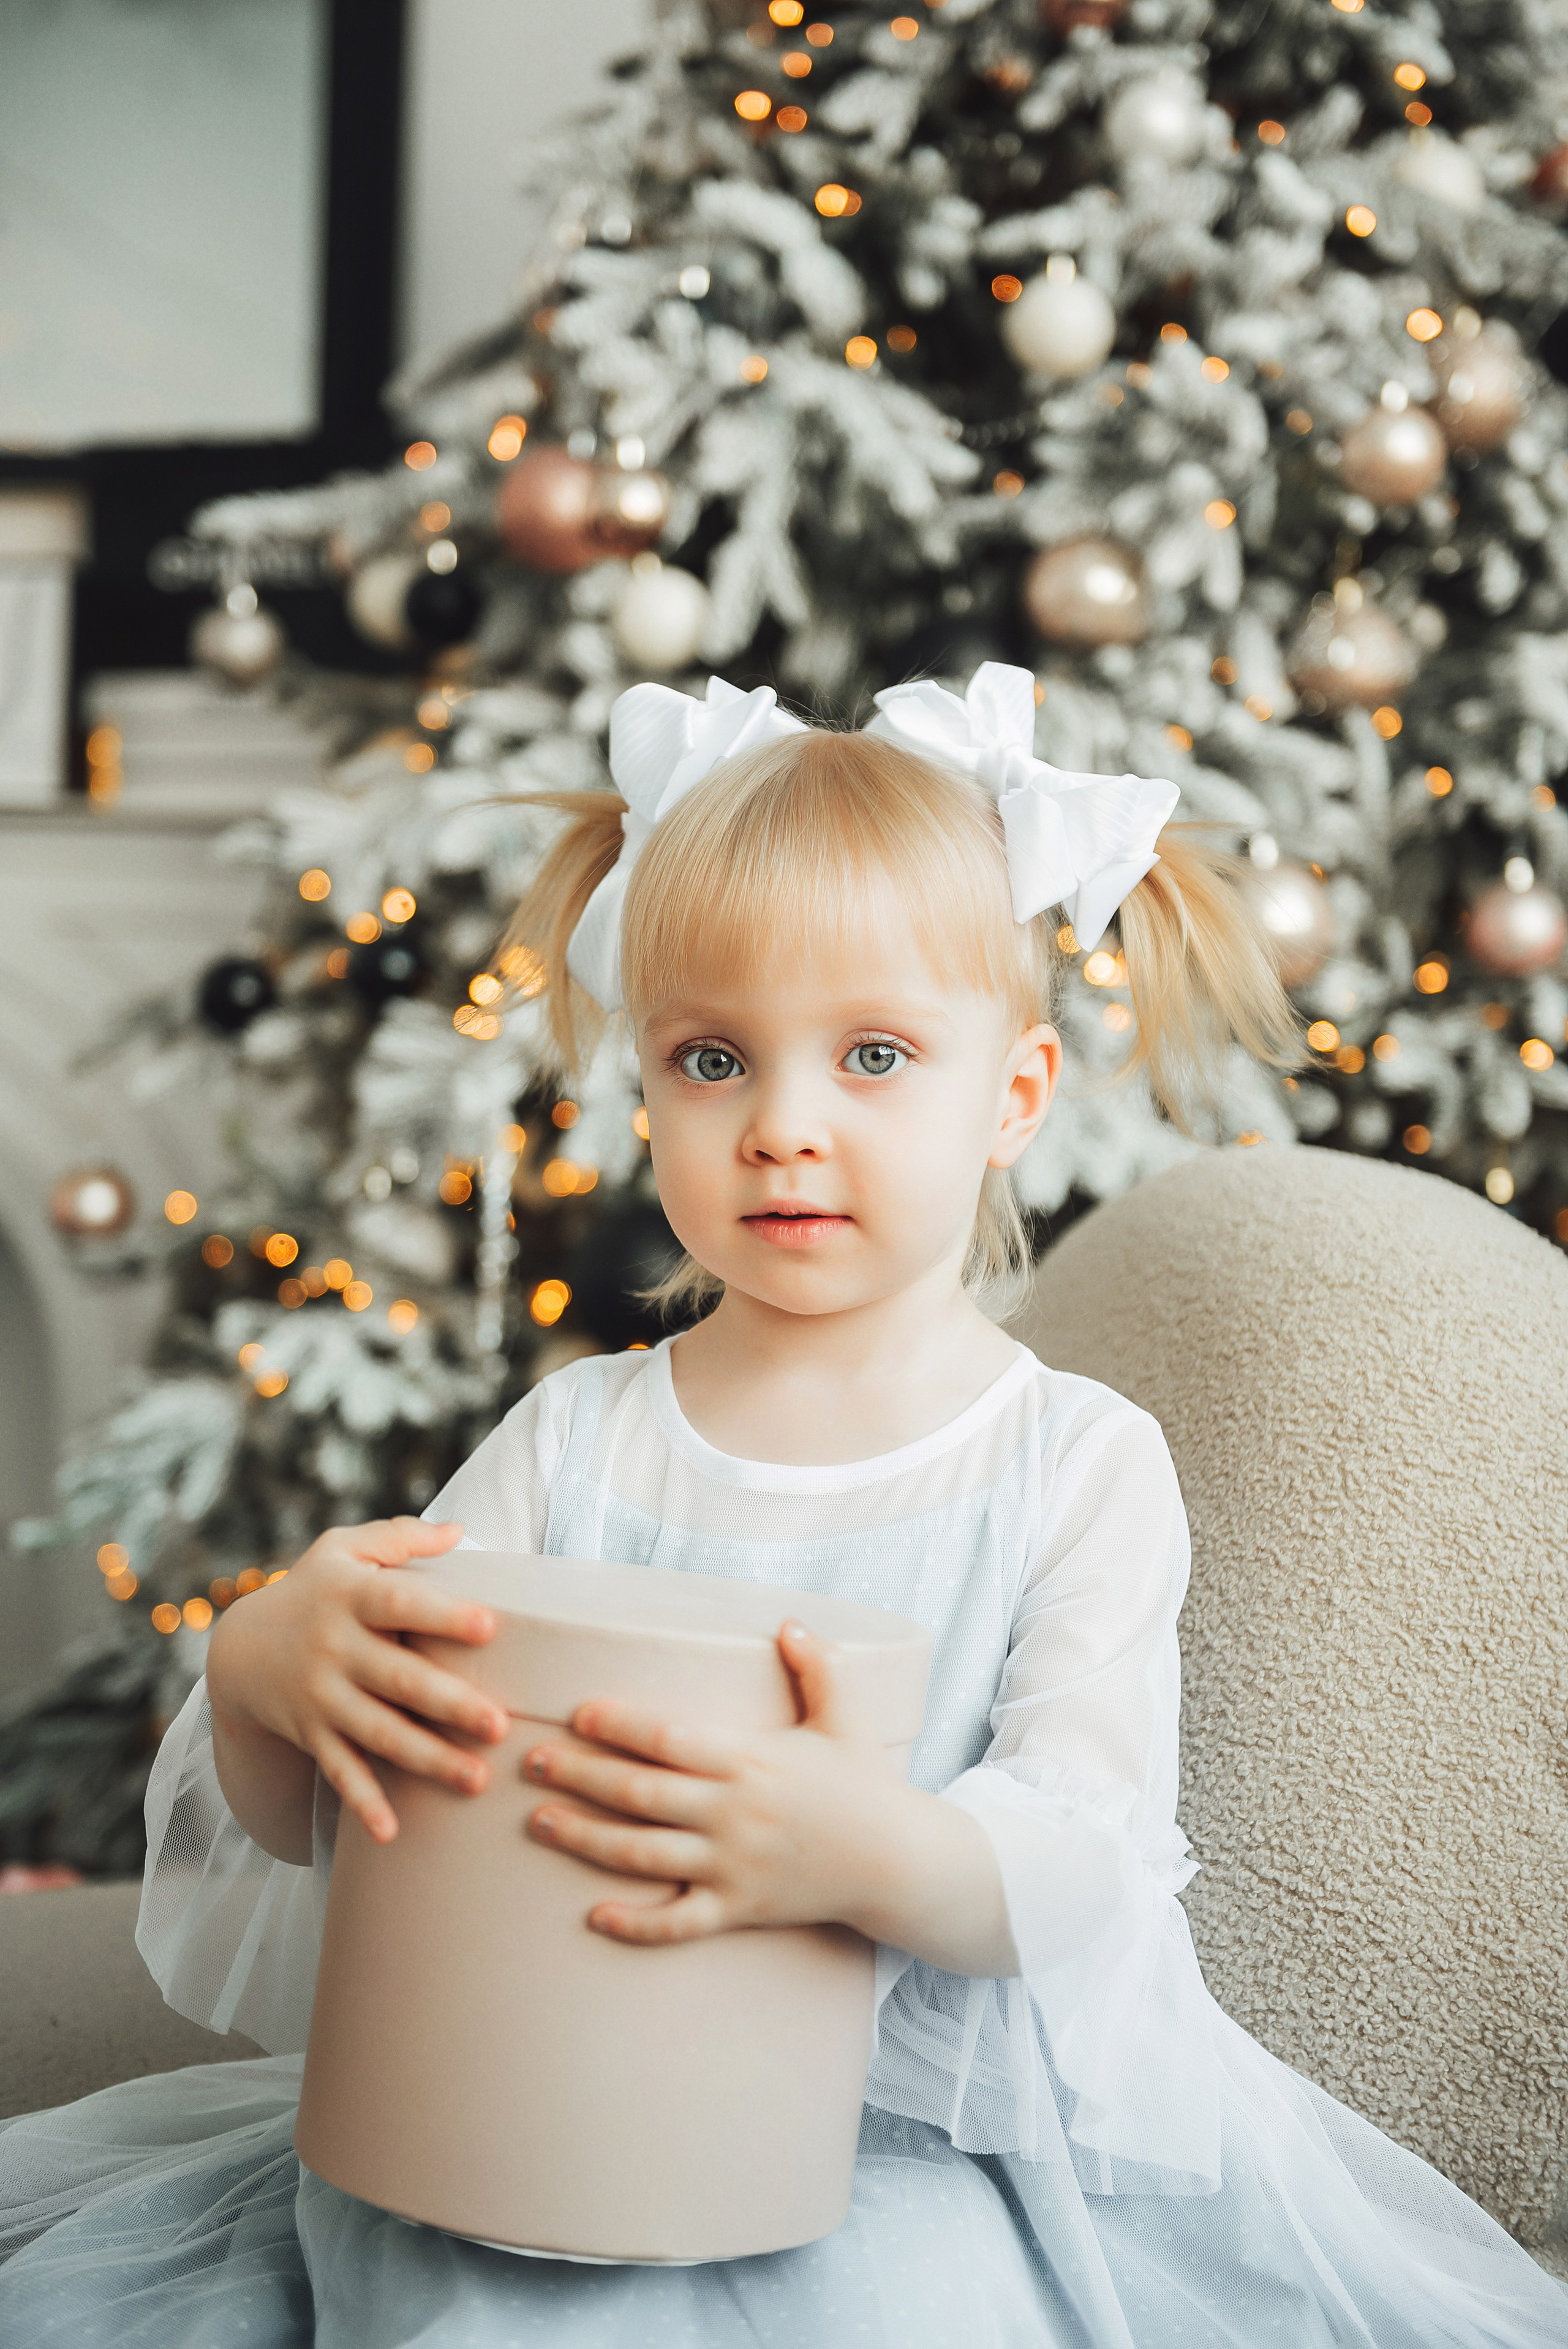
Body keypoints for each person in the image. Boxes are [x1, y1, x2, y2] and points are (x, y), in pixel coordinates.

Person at [1, 665, 1562, 2348]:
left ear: (1015, 1095)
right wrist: (269, 1673)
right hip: (529, 2106)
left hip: (891, 2152)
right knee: (434, 2280)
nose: (785, 1127)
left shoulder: (1072, 1459)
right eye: (715, 1057)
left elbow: (1085, 1853)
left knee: (901, 2296)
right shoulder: (573, 1439)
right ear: (649, 1086)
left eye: (876, 1053)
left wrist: (857, 1848)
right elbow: (352, 1814)